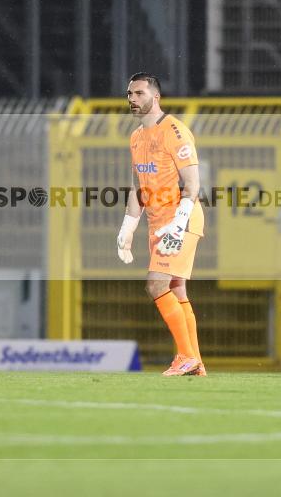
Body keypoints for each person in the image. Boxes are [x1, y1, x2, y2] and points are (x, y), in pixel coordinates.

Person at [116, 72, 206, 377]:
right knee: (176, 290)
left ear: (156, 97)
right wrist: (127, 228)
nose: (132, 99)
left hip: (180, 219)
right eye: (129, 94)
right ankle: (195, 361)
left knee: (156, 284)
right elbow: (136, 189)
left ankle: (184, 356)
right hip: (158, 221)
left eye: (139, 93)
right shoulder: (136, 137)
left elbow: (193, 185)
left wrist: (178, 225)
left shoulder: (175, 131)